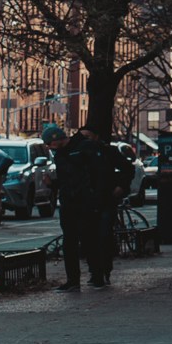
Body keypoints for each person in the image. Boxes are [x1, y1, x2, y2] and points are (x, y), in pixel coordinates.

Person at [50, 121, 121, 290]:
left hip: (84, 202)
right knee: (70, 242)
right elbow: (64, 179)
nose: (49, 147)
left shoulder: (85, 149)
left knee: (88, 239)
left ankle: (96, 276)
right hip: (69, 202)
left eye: (49, 143)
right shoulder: (60, 155)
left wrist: (95, 196)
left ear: (57, 139)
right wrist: (53, 185)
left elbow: (98, 174)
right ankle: (74, 280)